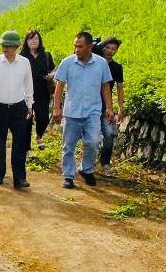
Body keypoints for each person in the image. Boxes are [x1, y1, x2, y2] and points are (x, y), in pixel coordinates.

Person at [52, 31, 115, 189]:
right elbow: (59, 87)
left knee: (93, 142)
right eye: (75, 46)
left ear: (90, 47)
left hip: (92, 112)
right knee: (68, 146)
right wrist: (56, 108)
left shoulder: (101, 64)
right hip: (72, 112)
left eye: (80, 46)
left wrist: (109, 107)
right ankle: (68, 175)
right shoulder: (67, 63)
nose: (76, 49)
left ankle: (86, 169)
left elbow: (105, 86)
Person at [0, 30, 34, 189]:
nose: (5, 49)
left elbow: (28, 85)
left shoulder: (25, 63)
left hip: (19, 108)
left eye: (9, 46)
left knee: (19, 143)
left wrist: (29, 105)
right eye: (3, 46)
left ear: (17, 47)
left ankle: (20, 178)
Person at [20, 30, 56, 150]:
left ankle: (39, 135)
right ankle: (26, 150)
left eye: (36, 39)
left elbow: (52, 69)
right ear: (26, 42)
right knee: (26, 122)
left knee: (43, 118)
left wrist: (51, 75)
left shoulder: (46, 55)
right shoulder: (21, 57)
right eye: (31, 39)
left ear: (39, 41)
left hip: (42, 92)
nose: (34, 41)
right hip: (25, 94)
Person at [97, 36, 125, 173]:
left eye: (113, 49)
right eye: (107, 47)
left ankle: (105, 162)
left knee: (109, 134)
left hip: (105, 107)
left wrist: (120, 108)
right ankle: (86, 162)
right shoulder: (94, 62)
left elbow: (120, 88)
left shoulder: (117, 68)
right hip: (90, 105)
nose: (109, 51)